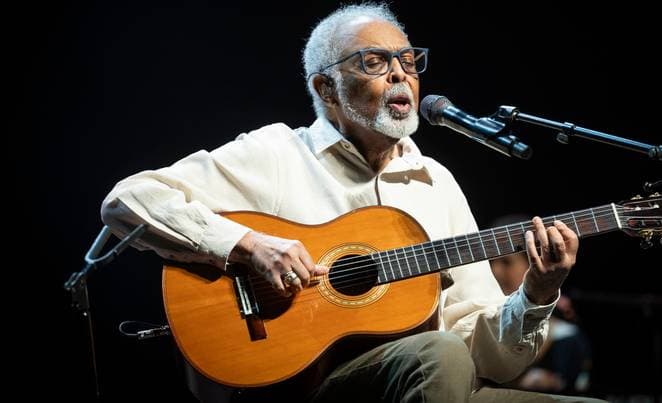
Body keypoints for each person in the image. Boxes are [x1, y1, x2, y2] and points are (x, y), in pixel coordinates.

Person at [101, 4, 604, 402]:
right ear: (327, 88)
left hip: (428, 386)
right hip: (303, 385)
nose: (400, 75)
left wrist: (537, 294)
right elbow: (128, 200)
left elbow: (487, 358)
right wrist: (247, 245)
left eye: (408, 61)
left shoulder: (436, 183)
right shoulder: (277, 153)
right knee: (440, 353)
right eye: (374, 62)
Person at [489, 214, 593, 395]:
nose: (495, 270)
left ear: (534, 263)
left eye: (506, 262)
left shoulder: (566, 338)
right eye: (491, 262)